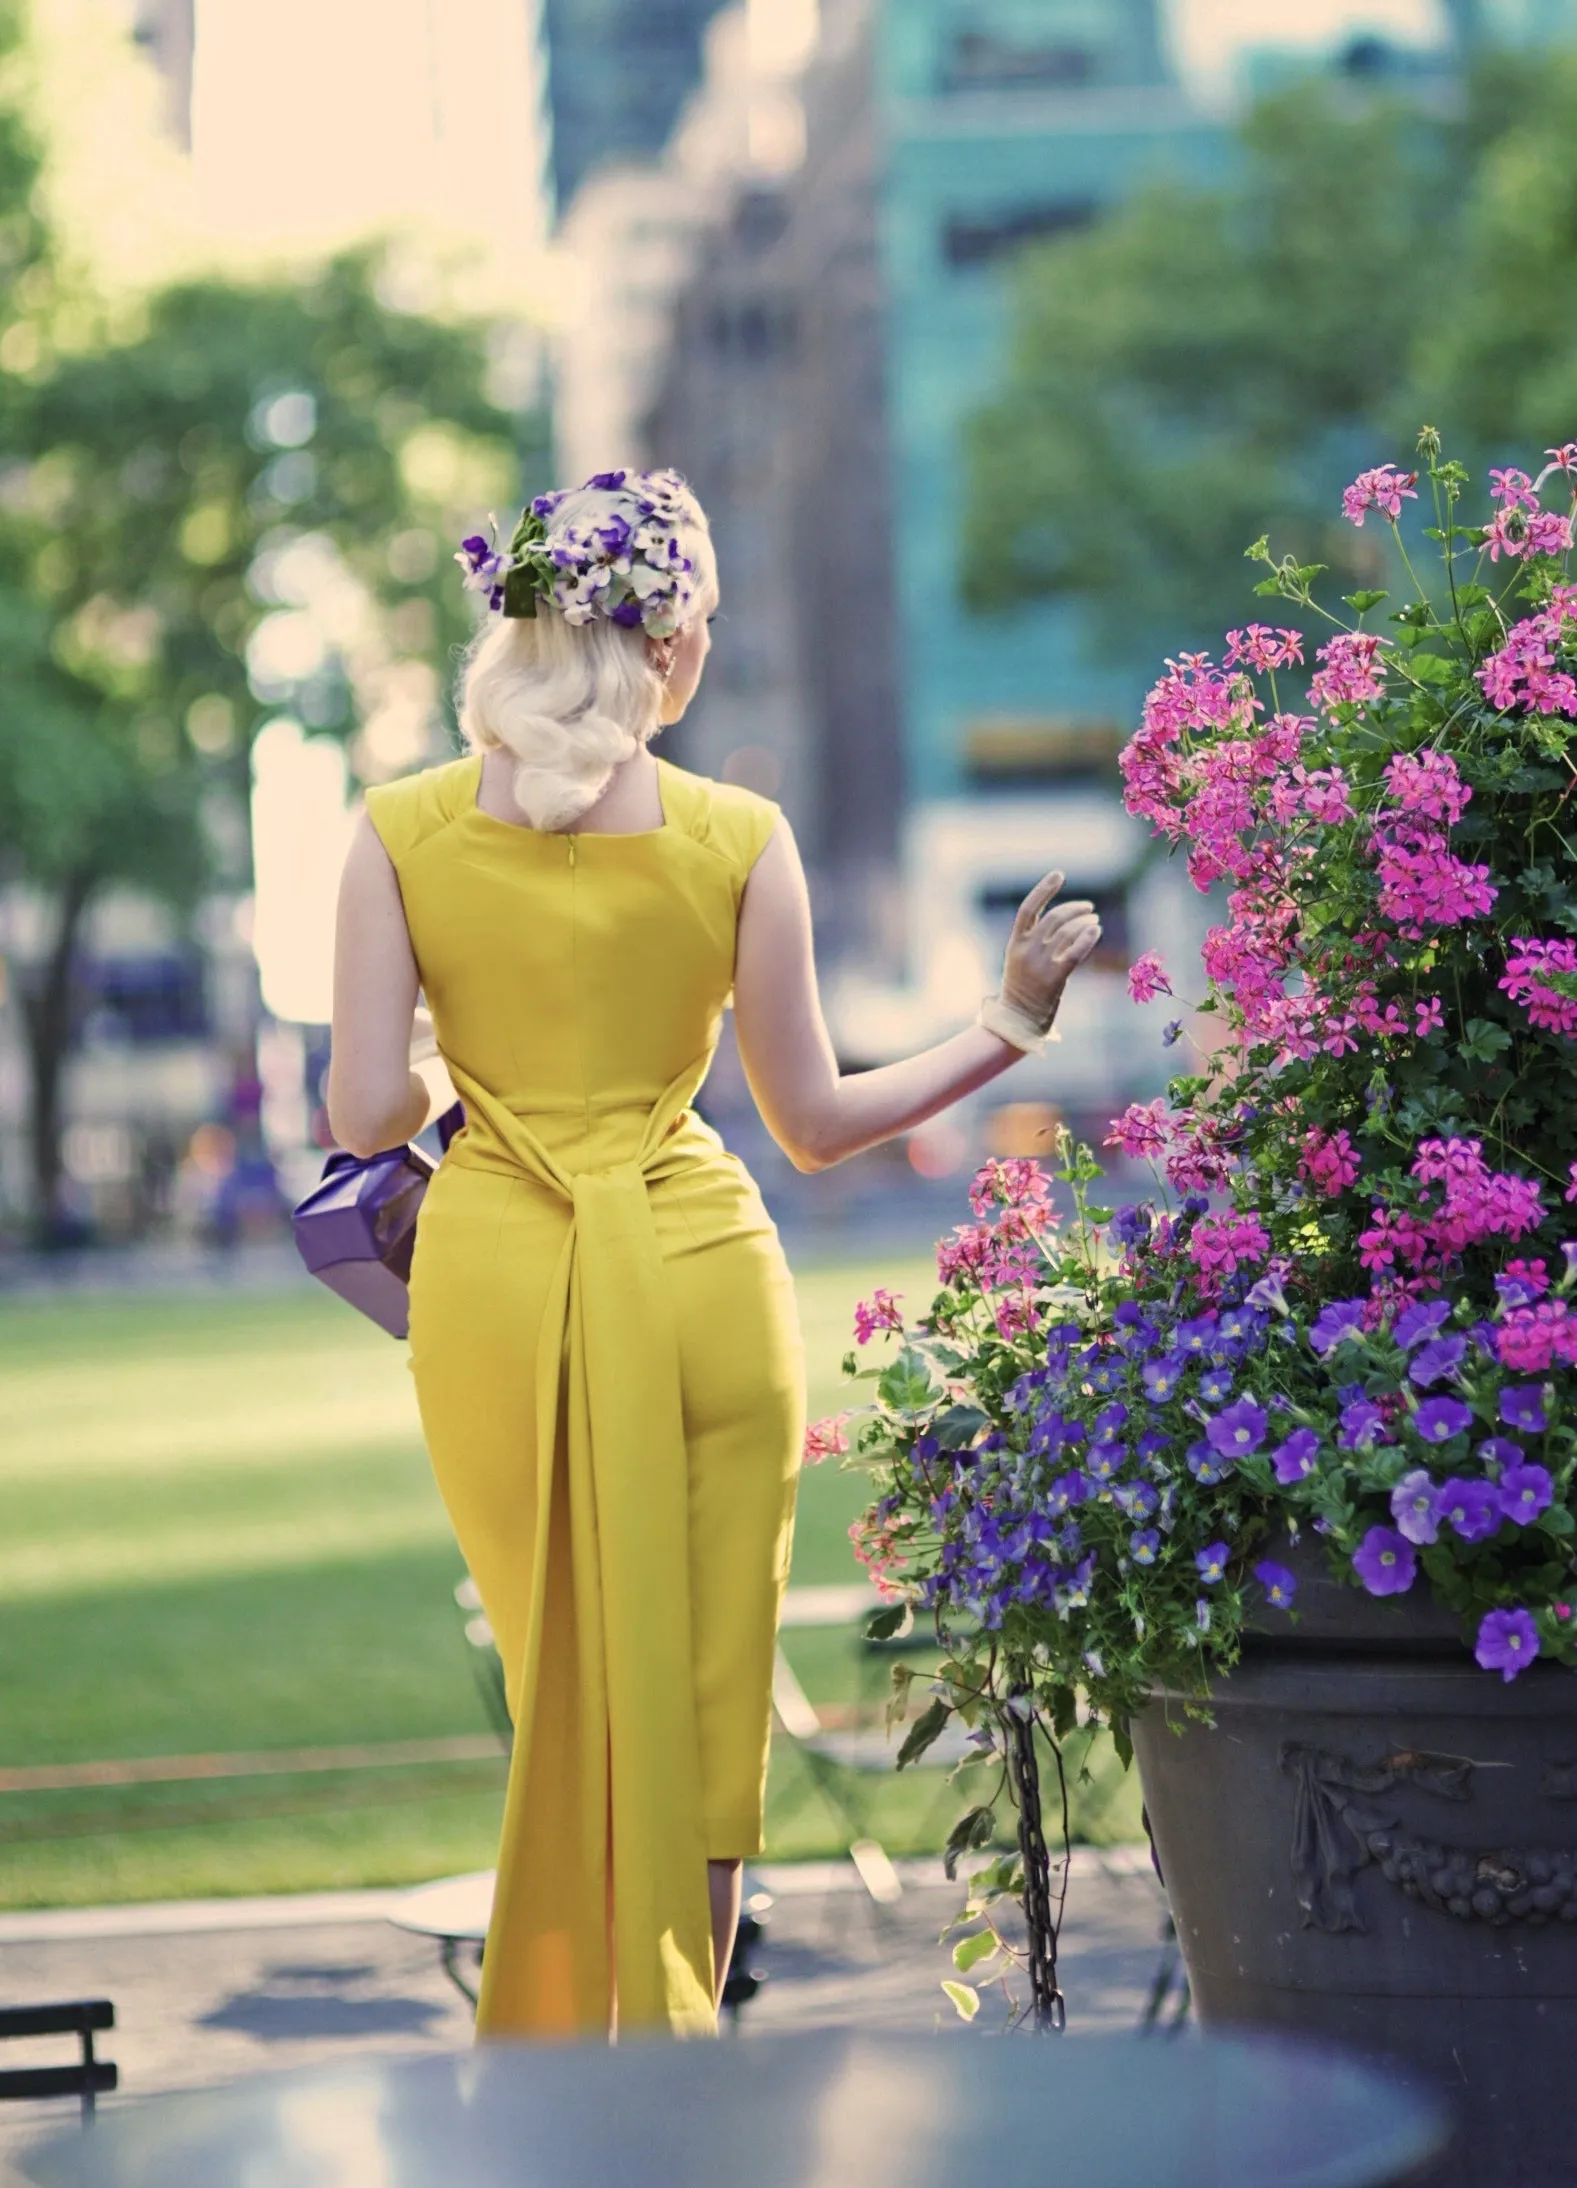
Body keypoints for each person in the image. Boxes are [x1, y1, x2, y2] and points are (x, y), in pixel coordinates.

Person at [327, 469, 1101, 2042]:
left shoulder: (396, 832)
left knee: (572, 1697)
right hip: (700, 1277)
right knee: (698, 1708)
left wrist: (438, 1034)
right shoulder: (738, 834)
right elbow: (811, 1122)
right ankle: (680, 2071)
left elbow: (361, 1109)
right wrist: (1008, 1021)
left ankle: (569, 2090)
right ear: (668, 646)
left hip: (493, 1284)